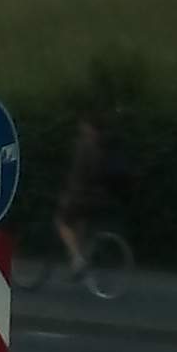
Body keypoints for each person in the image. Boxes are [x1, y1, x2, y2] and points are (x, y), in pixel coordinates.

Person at [56, 111, 118, 272]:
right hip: (102, 195)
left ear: (88, 126)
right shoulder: (106, 145)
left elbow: (78, 173)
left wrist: (68, 194)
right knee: (85, 225)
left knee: (63, 223)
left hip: (81, 194)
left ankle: (77, 259)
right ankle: (86, 256)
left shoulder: (84, 145)